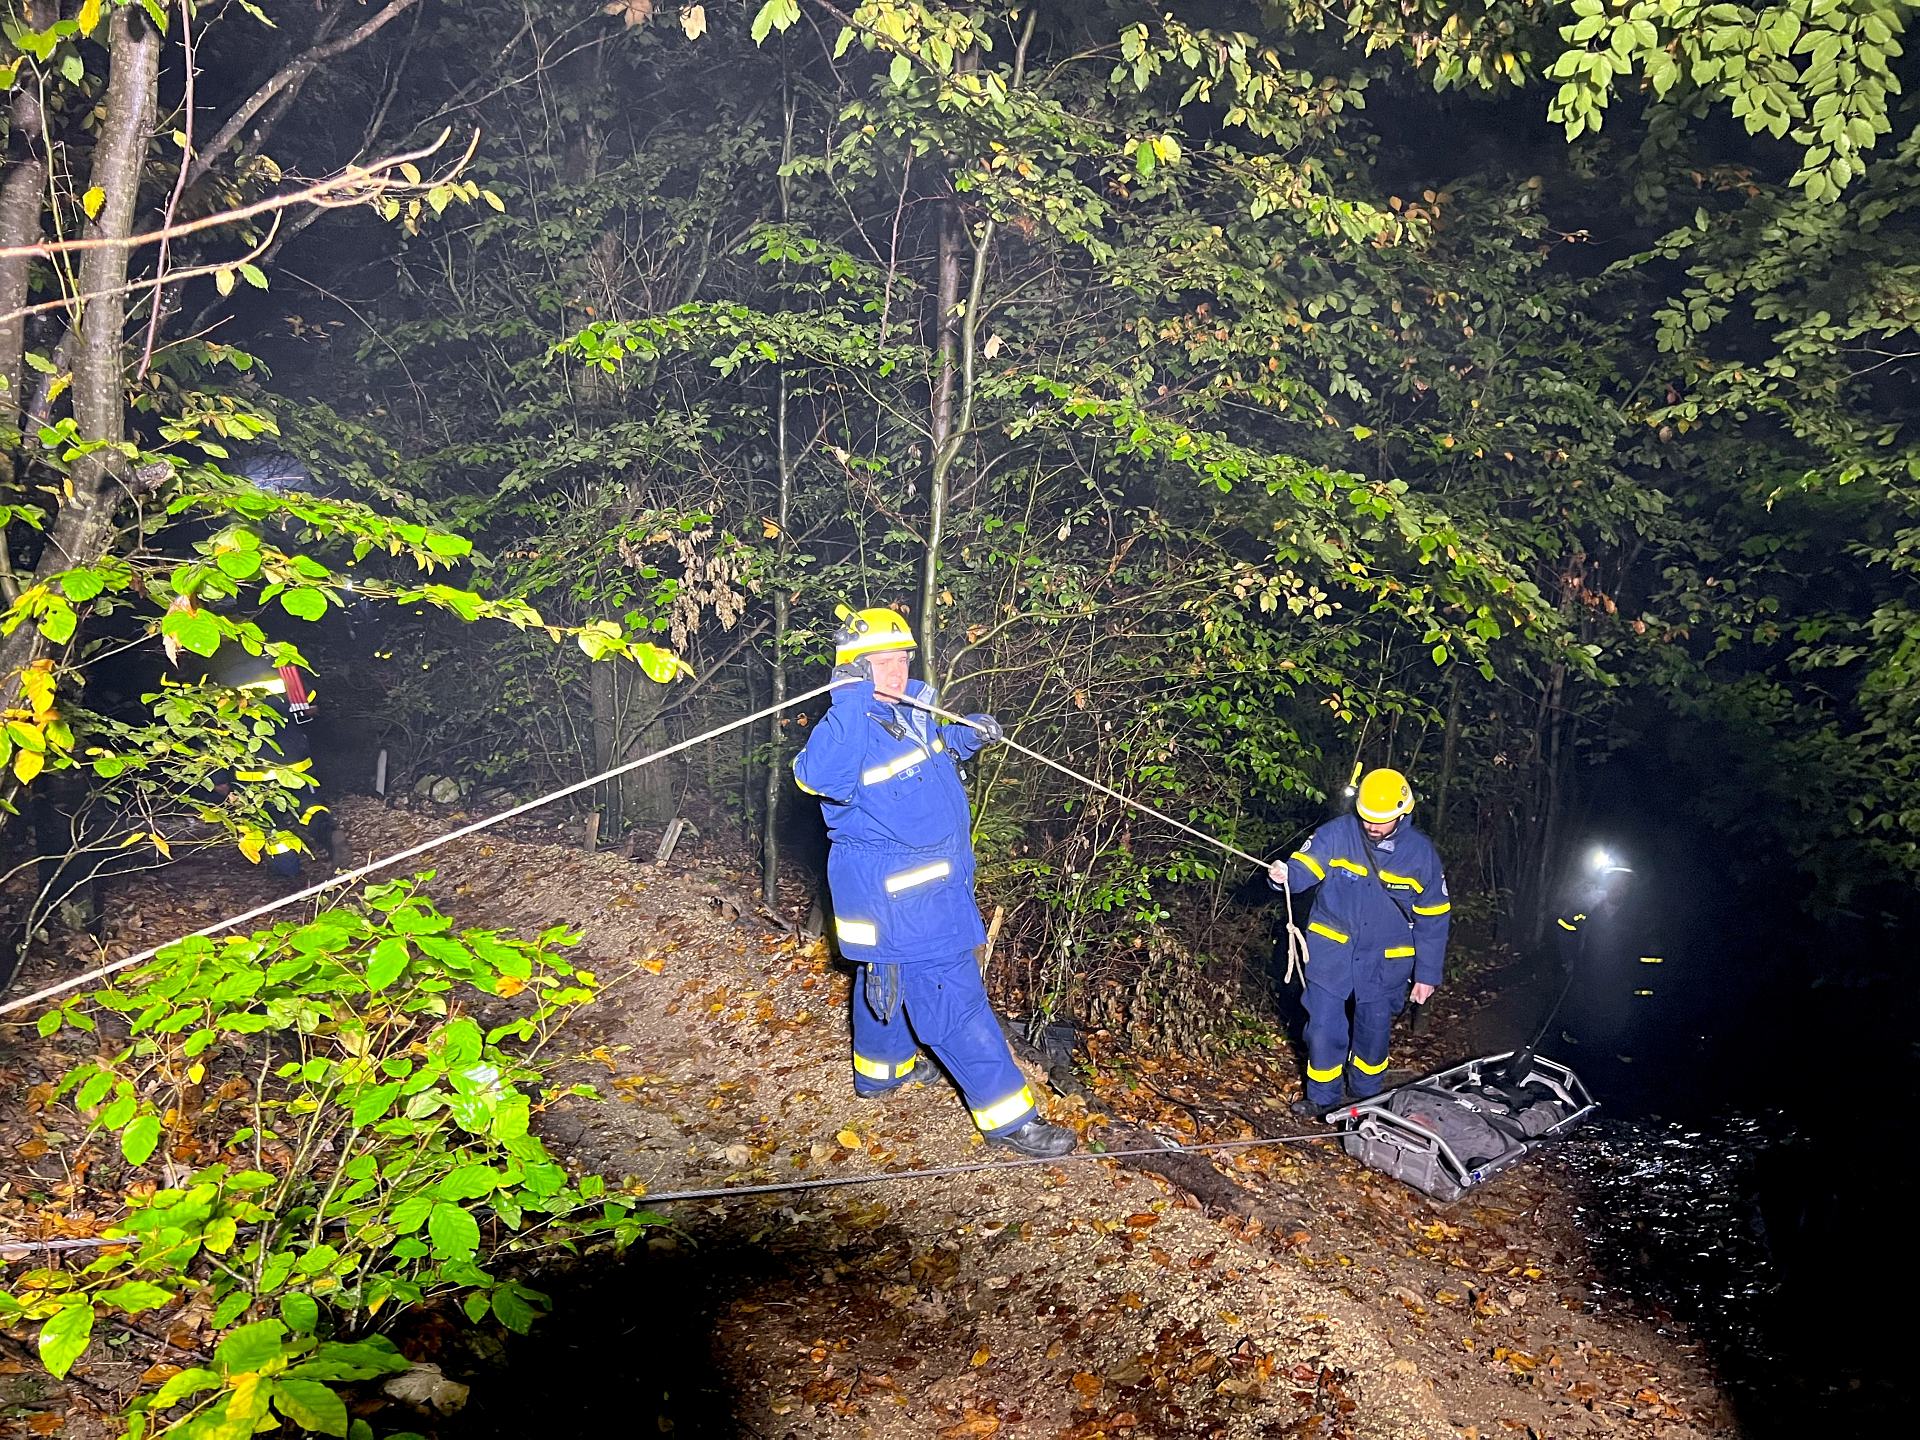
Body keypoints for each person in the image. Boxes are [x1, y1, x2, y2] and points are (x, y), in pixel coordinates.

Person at [793, 605, 1076, 1159]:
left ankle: (882, 1074)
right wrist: (849, 698)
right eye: (880, 662)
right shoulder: (845, 728)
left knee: (888, 975)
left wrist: (964, 740)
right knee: (954, 1001)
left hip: (921, 889)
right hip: (901, 898)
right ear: (853, 669)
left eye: (900, 658)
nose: (895, 671)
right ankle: (1010, 1118)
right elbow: (819, 777)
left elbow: (925, 764)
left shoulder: (913, 712)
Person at [1267, 768, 1451, 1117]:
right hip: (1331, 951)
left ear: (1403, 812)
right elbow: (1303, 868)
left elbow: (1434, 918)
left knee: (1374, 1030)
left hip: (1387, 961)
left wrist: (1427, 975)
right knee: (1322, 1026)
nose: (1372, 825)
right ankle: (1321, 1098)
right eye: (1367, 817)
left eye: (1381, 820)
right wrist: (1285, 876)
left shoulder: (1421, 855)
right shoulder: (1337, 834)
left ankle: (1365, 1096)